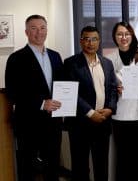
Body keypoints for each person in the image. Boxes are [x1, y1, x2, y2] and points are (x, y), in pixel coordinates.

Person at [5, 14, 64, 181]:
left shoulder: (55, 56)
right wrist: (41, 103)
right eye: (34, 28)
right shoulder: (16, 58)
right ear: (26, 32)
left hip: (53, 123)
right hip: (29, 124)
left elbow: (61, 86)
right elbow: (12, 92)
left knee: (52, 168)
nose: (39, 32)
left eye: (43, 28)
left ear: (47, 30)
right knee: (28, 170)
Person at [64, 26, 118, 181]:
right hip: (80, 123)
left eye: (94, 39)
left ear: (99, 41)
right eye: (86, 39)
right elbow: (71, 92)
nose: (90, 43)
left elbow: (113, 89)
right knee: (80, 167)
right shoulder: (70, 63)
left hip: (102, 121)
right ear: (81, 41)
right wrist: (90, 112)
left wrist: (110, 109)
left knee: (101, 165)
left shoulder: (107, 63)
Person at [105, 21, 138, 181]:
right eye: (119, 34)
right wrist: (114, 90)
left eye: (127, 34)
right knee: (123, 158)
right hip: (120, 115)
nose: (123, 37)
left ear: (132, 35)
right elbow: (106, 87)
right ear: (114, 37)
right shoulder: (109, 59)